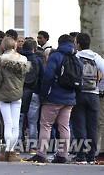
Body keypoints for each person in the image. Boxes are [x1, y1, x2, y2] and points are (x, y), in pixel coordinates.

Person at [27, 34, 80, 164]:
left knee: (46, 125)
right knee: (64, 126)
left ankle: (41, 154)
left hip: (54, 97)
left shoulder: (56, 56)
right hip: (69, 98)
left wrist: (44, 94)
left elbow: (48, 76)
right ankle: (62, 155)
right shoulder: (76, 58)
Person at [0, 37, 29, 162]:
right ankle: (11, 151)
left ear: (3, 46)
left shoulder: (0, 60)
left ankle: (7, 151)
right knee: (15, 124)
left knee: (7, 123)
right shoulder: (23, 60)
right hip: (17, 93)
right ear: (15, 46)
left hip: (3, 94)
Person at [71, 33, 104, 164]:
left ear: (78, 44)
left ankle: (81, 155)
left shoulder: (75, 56)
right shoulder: (96, 57)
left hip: (78, 94)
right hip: (93, 94)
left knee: (79, 125)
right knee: (93, 126)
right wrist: (99, 85)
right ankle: (91, 156)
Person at [18, 38, 44, 150]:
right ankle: (33, 145)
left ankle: (18, 144)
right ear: (34, 49)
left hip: (20, 91)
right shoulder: (38, 60)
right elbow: (42, 77)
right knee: (33, 121)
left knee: (19, 120)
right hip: (34, 92)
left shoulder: (19, 59)